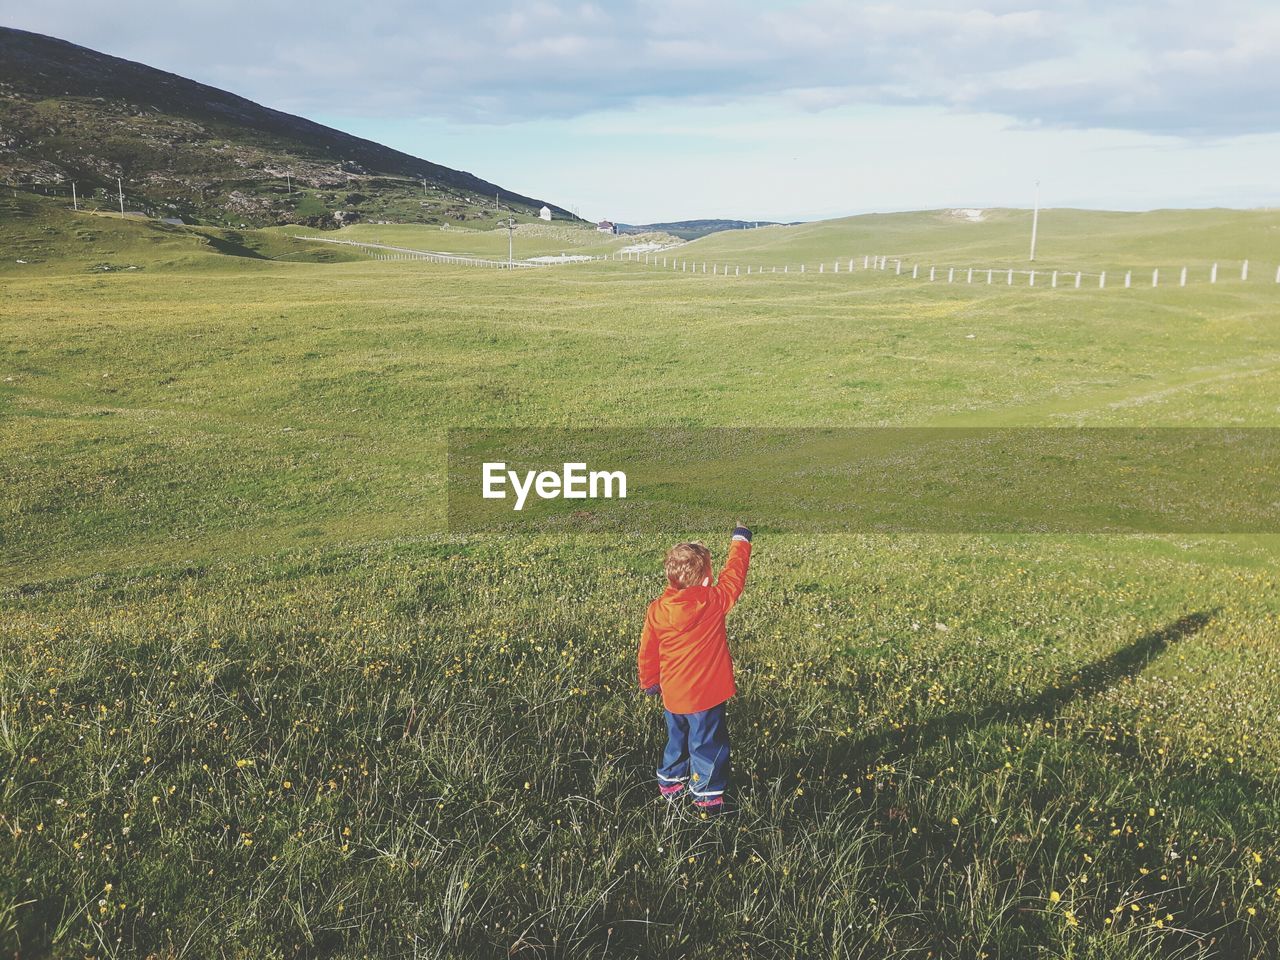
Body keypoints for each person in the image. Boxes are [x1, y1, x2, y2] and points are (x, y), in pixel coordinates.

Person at [637, 522, 753, 811]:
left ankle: (670, 784)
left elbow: (648, 651)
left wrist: (650, 680)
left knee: (677, 741)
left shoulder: (657, 609)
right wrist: (741, 539)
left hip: (673, 696)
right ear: (704, 581)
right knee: (707, 746)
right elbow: (734, 577)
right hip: (706, 697)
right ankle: (706, 798)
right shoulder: (713, 601)